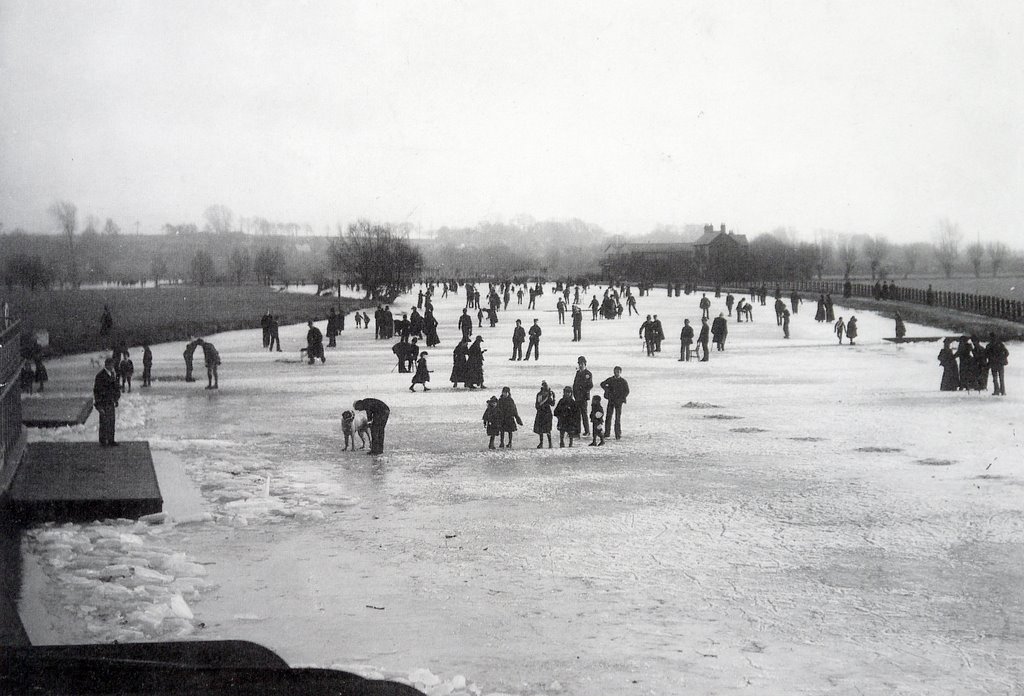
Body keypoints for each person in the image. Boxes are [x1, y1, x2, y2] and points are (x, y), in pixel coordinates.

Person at [93, 357, 120, 446]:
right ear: (107, 365)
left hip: (111, 401)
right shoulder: (100, 376)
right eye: (112, 365)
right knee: (104, 422)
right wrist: (98, 405)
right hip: (104, 402)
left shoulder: (112, 374)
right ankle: (103, 441)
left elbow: (115, 388)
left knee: (111, 421)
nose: (113, 367)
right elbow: (97, 391)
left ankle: (111, 440)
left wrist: (116, 399)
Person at [599, 366, 630, 440]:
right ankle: (607, 433)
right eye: (615, 371)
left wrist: (622, 397)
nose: (616, 373)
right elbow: (602, 384)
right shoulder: (611, 379)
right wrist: (607, 390)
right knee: (608, 417)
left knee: (617, 418)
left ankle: (617, 434)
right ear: (614, 372)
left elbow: (627, 391)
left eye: (618, 372)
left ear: (620, 372)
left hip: (618, 402)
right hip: (611, 400)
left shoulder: (623, 381)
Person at [572, 356, 593, 436]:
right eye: (579, 364)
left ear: (585, 364)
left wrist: (583, 390)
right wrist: (575, 393)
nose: (580, 365)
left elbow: (590, 385)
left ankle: (587, 431)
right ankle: (577, 431)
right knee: (577, 414)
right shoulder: (578, 373)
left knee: (584, 414)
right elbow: (575, 384)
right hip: (577, 397)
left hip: (583, 397)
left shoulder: (588, 374)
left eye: (582, 364)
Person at [533, 381, 555, 449]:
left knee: (548, 429)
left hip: (547, 413)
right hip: (541, 413)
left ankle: (549, 443)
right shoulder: (539, 395)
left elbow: (552, 404)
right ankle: (542, 443)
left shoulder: (548, 395)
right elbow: (537, 404)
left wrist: (553, 397)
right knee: (541, 429)